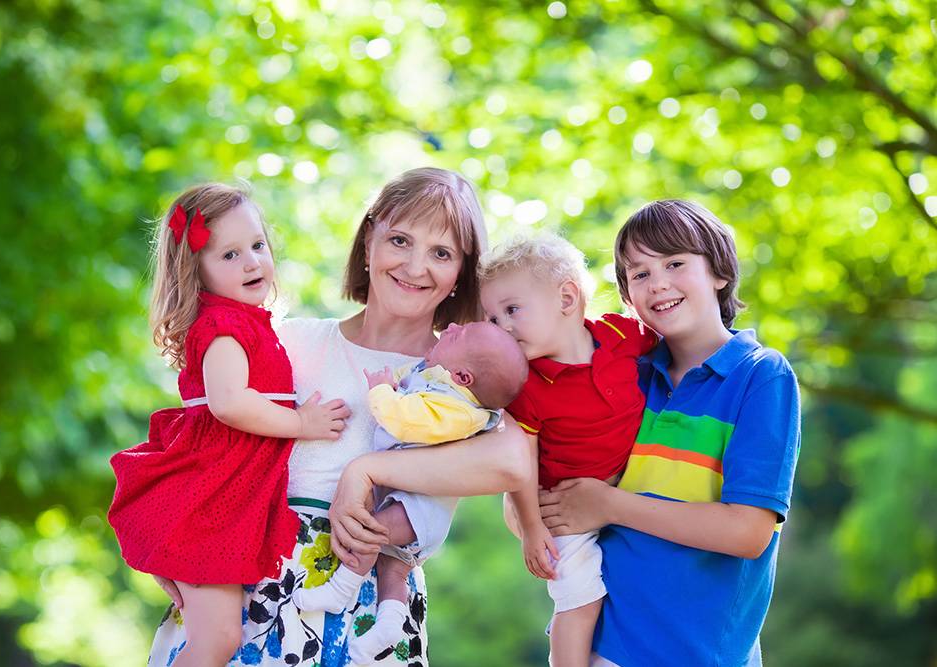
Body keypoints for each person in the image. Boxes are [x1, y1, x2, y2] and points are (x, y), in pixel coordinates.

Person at [146, 168, 530, 667]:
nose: (416, 266)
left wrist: (366, 472)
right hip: (250, 585)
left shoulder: (462, 383)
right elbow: (202, 438)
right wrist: (169, 536)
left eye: (441, 253)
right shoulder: (292, 341)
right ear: (368, 239)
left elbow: (515, 461)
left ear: (462, 271)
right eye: (399, 240)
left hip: (367, 603)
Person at [536, 199, 801, 666]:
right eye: (638, 274)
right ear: (627, 295)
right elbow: (553, 486)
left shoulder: (761, 376)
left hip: (694, 653)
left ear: (719, 272)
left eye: (675, 263)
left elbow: (748, 532)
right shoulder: (625, 378)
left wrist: (610, 504)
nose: (657, 282)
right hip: (602, 646)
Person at [108, 183, 350, 667]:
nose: (252, 262)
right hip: (209, 505)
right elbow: (229, 404)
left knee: (222, 629)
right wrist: (301, 421)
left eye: (258, 246)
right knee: (218, 638)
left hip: (224, 502)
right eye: (230, 254)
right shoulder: (224, 330)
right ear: (195, 272)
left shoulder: (249, 324)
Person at [293, 320, 528, 664]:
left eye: (458, 334)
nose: (449, 327)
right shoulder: (438, 378)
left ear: (463, 378)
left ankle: (339, 589)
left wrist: (381, 391)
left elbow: (407, 420)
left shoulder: (460, 409)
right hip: (405, 504)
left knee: (368, 532)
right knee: (393, 569)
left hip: (417, 509)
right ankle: (389, 624)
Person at [479, 234, 657, 667]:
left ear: (566, 298)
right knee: (579, 594)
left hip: (624, 489)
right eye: (492, 317)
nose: (501, 326)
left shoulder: (621, 335)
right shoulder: (528, 386)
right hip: (559, 505)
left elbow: (674, 346)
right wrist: (533, 526)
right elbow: (520, 464)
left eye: (512, 310)